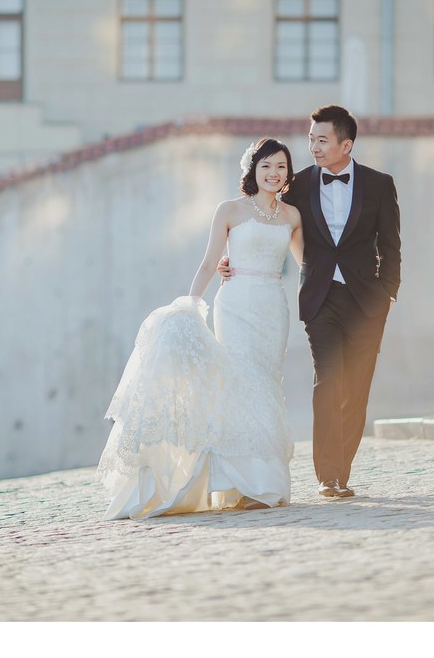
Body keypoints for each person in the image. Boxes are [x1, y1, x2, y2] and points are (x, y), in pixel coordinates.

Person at [97, 138, 304, 520]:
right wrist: (191, 303)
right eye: (266, 166)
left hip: (272, 307)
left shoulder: (292, 216)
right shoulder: (229, 210)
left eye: (281, 167)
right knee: (240, 383)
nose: (274, 174)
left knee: (266, 384)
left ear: (288, 174)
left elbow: (307, 264)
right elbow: (210, 262)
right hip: (235, 302)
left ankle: (265, 483)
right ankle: (242, 483)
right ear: (252, 171)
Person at [222, 105, 401, 499]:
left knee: (357, 388)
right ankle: (329, 475)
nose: (313, 147)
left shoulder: (379, 184)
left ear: (345, 144)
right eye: (311, 139)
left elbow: (391, 247)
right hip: (321, 299)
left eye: (321, 140)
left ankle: (343, 467)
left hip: (367, 303)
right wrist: (231, 258)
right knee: (329, 380)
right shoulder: (298, 185)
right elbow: (265, 216)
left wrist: (388, 294)